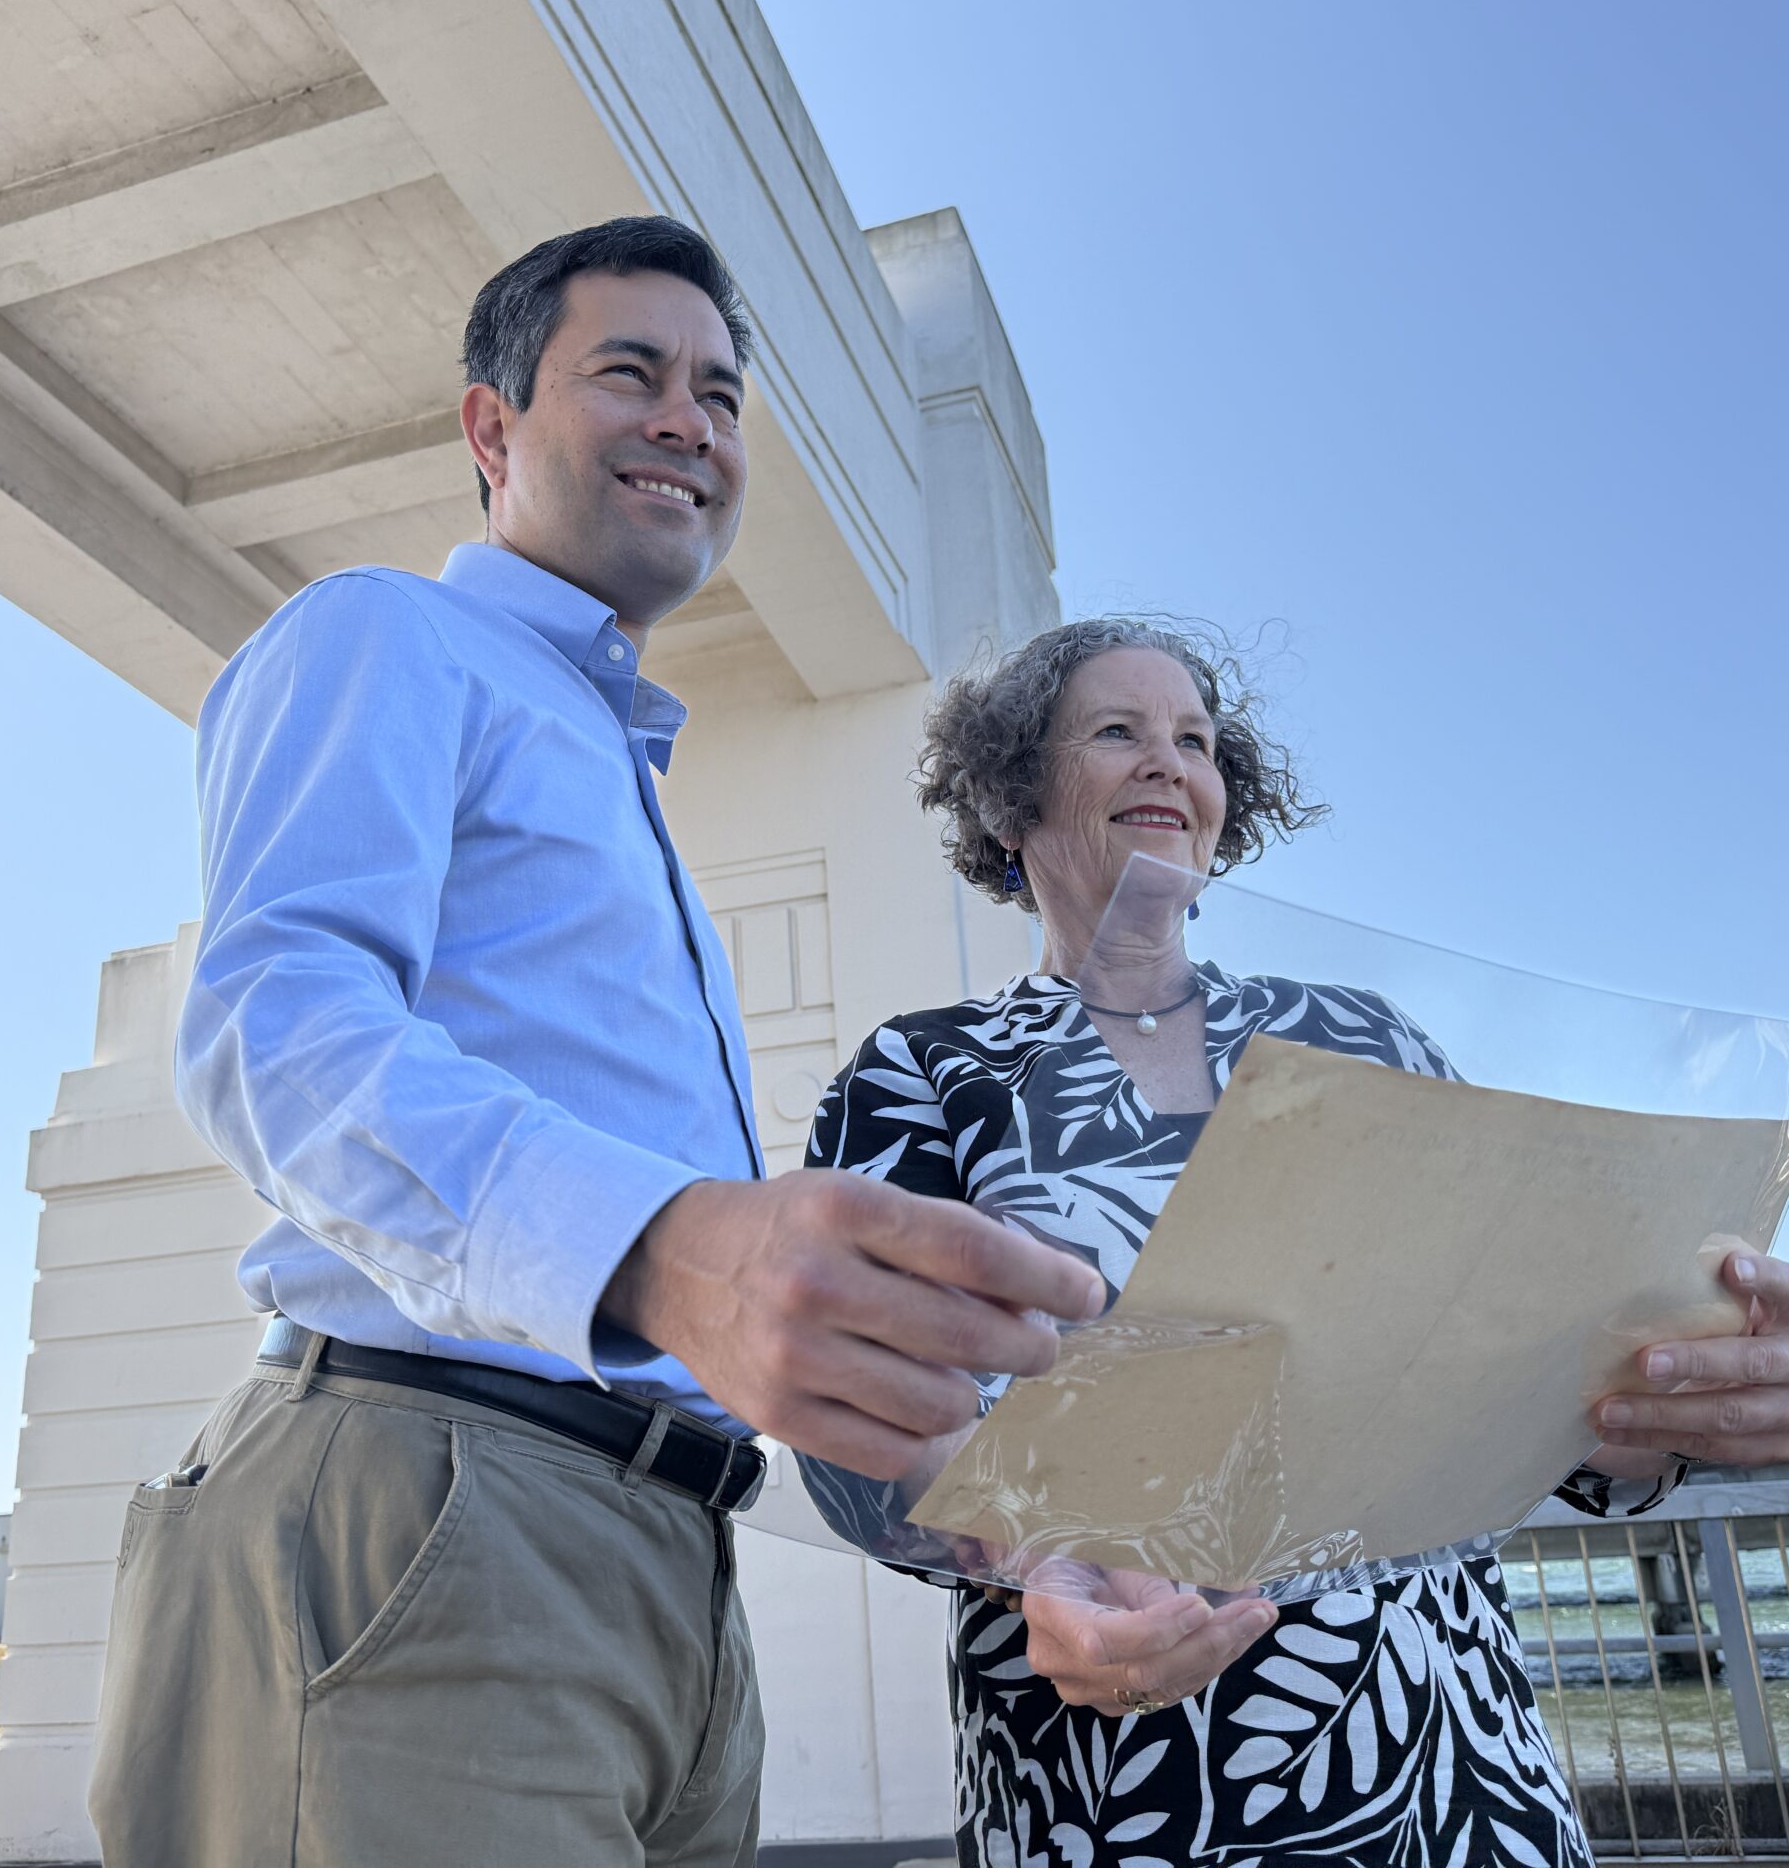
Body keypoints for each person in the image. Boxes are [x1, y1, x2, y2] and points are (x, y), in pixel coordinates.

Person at [85, 217, 1105, 1868]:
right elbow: (276, 1030)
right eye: (629, 371)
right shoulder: (384, 636)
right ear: (491, 429)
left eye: (719, 391)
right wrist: (659, 1251)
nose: (690, 420)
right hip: (429, 1505)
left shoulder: (616, 769)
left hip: (669, 1557)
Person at [804, 617, 1789, 1867]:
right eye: (1115, 733)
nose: (1165, 765)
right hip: (1116, 1771)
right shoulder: (926, 1070)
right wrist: (1027, 1562)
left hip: (1446, 1760)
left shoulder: (1362, 1034)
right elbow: (851, 1423)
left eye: (1193, 739)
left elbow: (1514, 1394)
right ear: (1011, 793)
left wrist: (1674, 1405)